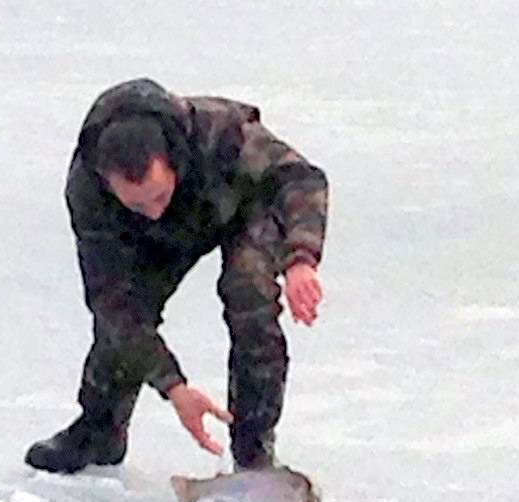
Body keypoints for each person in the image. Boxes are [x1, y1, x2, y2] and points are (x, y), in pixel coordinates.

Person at [25, 78, 328, 473]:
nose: (151, 208)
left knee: (248, 291)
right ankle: (100, 428)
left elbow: (300, 178)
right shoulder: (89, 192)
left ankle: (254, 448)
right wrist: (175, 388)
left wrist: (300, 259)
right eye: (136, 202)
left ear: (172, 159)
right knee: (124, 314)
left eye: (158, 195)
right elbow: (112, 303)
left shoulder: (220, 133)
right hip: (154, 240)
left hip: (239, 207)